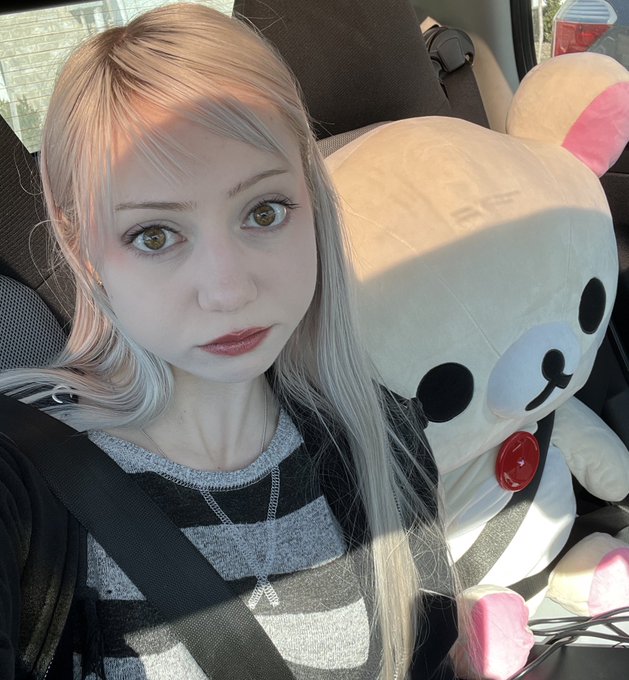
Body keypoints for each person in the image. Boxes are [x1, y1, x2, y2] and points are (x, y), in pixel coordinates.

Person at [0, 4, 456, 679]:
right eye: (155, 235)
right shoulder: (21, 477)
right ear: (83, 247)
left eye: (264, 212)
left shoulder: (383, 437)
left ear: (311, 201)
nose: (228, 290)